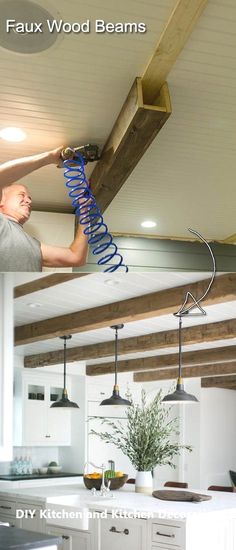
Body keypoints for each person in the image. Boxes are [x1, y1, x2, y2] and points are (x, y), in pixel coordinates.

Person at [0, 146, 89, 271]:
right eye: (21, 195)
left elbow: (76, 257)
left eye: (29, 197)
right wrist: (49, 157)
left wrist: (84, 210)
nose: (29, 200)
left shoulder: (32, 245)